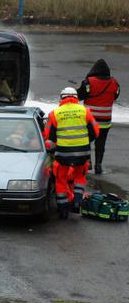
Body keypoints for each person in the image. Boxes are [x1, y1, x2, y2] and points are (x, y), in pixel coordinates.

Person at [43, 87, 99, 219]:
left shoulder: (54, 113)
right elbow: (95, 132)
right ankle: (77, 202)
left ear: (61, 98)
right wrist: (84, 141)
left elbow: (49, 137)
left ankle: (63, 210)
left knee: (61, 178)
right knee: (79, 177)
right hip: (83, 152)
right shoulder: (85, 111)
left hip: (63, 154)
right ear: (76, 98)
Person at [76, 59, 120, 175]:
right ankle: (98, 165)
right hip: (105, 121)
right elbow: (115, 96)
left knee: (86, 140)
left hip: (90, 120)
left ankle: (88, 162)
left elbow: (80, 96)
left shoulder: (89, 82)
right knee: (101, 143)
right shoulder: (114, 83)